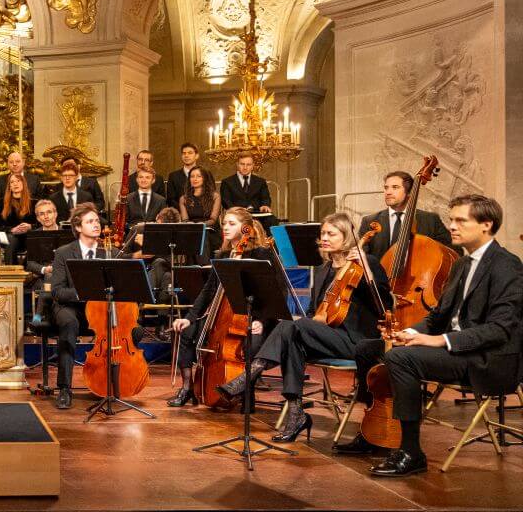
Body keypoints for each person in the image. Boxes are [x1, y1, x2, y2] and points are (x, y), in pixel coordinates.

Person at [337, 195, 523, 477]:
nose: (452, 226)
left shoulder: (507, 265)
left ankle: (411, 451)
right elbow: (437, 315)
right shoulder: (462, 264)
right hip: (456, 351)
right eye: (451, 220)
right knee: (368, 348)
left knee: (401, 359)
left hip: (485, 358)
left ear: (486, 224)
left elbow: (499, 329)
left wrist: (439, 340)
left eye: (460, 220)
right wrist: (409, 332)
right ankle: (373, 431)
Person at [215, 213, 391, 442]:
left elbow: (384, 306)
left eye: (331, 234)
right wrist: (304, 322)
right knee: (292, 338)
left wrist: (367, 271)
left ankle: (254, 371)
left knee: (292, 328)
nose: (324, 238)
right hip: (326, 337)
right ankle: (296, 413)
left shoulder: (368, 264)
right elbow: (312, 313)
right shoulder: (322, 270)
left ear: (347, 237)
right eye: (323, 233)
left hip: (355, 340)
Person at [166, 207, 281, 408]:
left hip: (257, 317)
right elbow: (208, 291)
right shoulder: (223, 255)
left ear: (245, 228)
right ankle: (187, 388)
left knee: (252, 342)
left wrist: (262, 321)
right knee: (185, 331)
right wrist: (189, 318)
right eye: (224, 223)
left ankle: (247, 392)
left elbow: (276, 292)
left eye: (231, 223)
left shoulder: (262, 254)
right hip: (223, 318)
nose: (225, 227)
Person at [48, 204, 119, 409]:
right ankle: (64, 388)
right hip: (71, 307)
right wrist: (84, 292)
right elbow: (57, 291)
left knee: (135, 330)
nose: (96, 225)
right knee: (69, 323)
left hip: (100, 308)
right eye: (90, 222)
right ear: (78, 227)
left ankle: (109, 384)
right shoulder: (64, 253)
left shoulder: (111, 252)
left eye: (97, 221)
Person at [358, 170, 453, 261]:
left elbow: (452, 252)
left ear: (409, 192)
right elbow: (363, 259)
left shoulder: (431, 220)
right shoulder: (369, 221)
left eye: (395, 187)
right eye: (386, 188)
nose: (388, 192)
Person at [0, 172, 37, 262]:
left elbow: (41, 224)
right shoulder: (2, 203)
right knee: (11, 239)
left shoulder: (34, 203)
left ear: (23, 184)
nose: (15, 184)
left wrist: (30, 227)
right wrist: (12, 230)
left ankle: (28, 268)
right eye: (12, 182)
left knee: (34, 240)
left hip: (29, 236)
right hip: (11, 236)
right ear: (9, 186)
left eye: (18, 181)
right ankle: (10, 269)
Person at [179, 166, 222, 253]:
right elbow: (185, 220)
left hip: (209, 231)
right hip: (191, 231)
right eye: (192, 176)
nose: (195, 179)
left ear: (204, 178)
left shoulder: (215, 196)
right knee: (192, 236)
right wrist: (192, 225)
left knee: (202, 235)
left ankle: (202, 261)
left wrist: (200, 226)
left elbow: (213, 220)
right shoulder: (184, 199)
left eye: (199, 176)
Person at [0, 151, 43, 221]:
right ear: (7, 164)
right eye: (11, 162)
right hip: (7, 220)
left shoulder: (34, 179)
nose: (14, 164)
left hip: (30, 220)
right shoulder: (0, 180)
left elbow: (40, 200)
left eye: (17, 161)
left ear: (23, 163)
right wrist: (8, 214)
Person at [24, 199, 63, 279]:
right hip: (43, 276)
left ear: (55, 214)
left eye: (49, 212)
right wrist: (44, 269)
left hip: (63, 273)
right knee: (49, 276)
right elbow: (30, 263)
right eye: (42, 214)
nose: (46, 217)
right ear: (38, 218)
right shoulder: (34, 235)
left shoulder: (66, 234)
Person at [124, 167, 167, 235]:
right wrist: (135, 228)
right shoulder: (127, 199)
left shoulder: (161, 200)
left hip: (153, 235)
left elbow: (163, 223)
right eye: (141, 177)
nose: (144, 180)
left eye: (147, 177)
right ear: (137, 179)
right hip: (132, 235)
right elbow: (123, 222)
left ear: (153, 180)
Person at [167, 143, 211, 207]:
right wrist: (183, 210)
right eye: (184, 153)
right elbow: (171, 200)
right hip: (179, 211)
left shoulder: (206, 174)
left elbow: (211, 195)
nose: (186, 156)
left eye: (190, 153)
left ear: (197, 156)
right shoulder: (173, 176)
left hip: (204, 211)